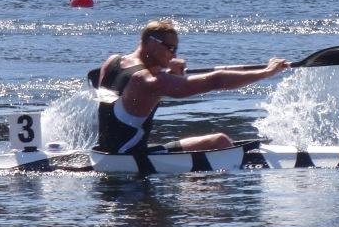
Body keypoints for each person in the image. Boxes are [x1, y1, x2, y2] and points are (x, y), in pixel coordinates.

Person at [94, 20, 288, 155]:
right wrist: (267, 72)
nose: (174, 54)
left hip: (105, 151)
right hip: (129, 157)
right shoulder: (148, 80)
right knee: (220, 142)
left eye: (175, 49)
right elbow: (216, 81)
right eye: (170, 48)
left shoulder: (112, 62)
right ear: (151, 43)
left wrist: (166, 72)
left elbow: (128, 94)